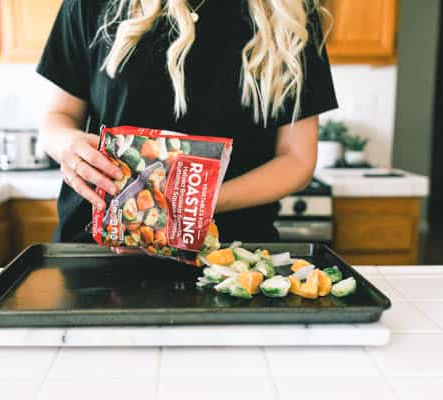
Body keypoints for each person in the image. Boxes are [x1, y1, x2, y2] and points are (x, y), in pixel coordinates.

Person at [38, 0, 337, 244]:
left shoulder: (289, 12)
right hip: (98, 245)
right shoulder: (91, 5)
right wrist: (68, 144)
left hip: (231, 252)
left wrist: (199, 203)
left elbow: (297, 158)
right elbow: (57, 118)